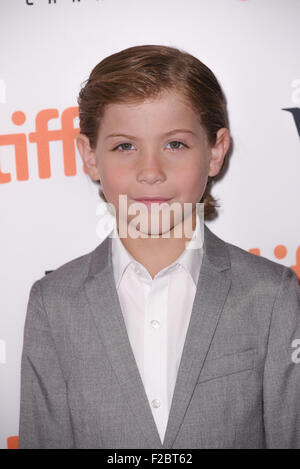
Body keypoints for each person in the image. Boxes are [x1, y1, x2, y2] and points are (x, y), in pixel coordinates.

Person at [19, 44, 300, 449]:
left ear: (216, 151)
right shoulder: (53, 302)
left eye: (175, 145)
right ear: (90, 156)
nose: (150, 172)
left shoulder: (271, 294)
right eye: (125, 146)